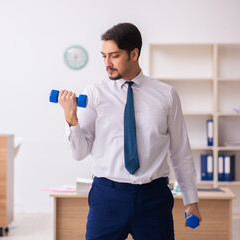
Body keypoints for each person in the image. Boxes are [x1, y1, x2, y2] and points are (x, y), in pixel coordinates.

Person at [58, 22, 202, 240]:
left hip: (154, 197)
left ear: (134, 54)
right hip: (107, 196)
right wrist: (71, 118)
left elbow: (180, 151)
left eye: (114, 56)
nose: (107, 63)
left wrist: (192, 201)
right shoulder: (94, 94)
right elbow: (79, 153)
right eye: (103, 56)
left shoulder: (166, 95)